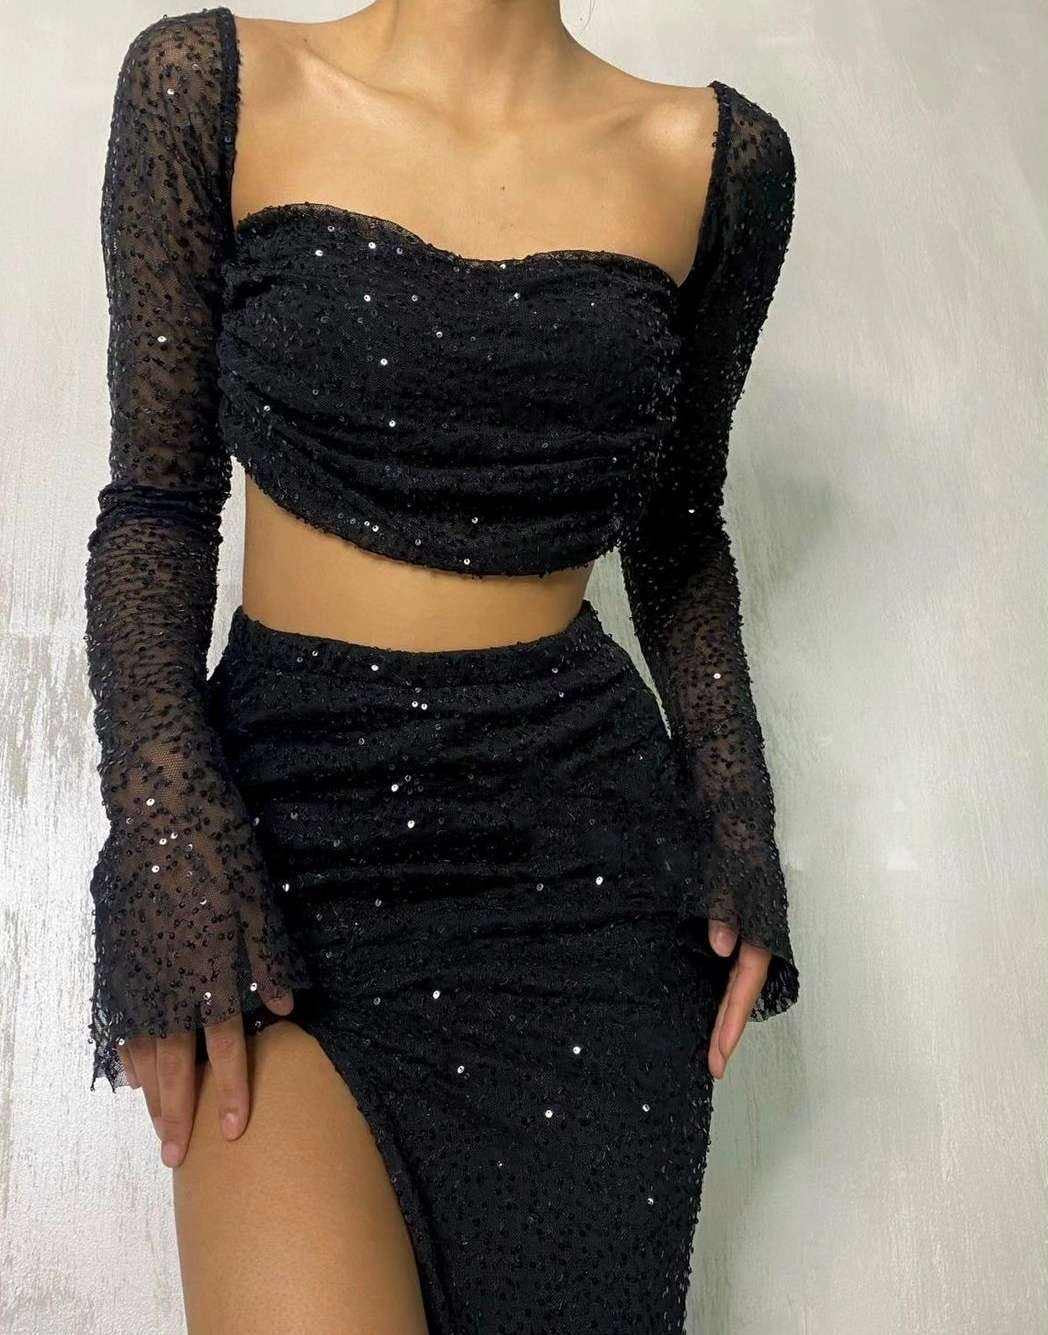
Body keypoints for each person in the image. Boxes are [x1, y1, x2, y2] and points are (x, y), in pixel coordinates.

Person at [82, 3, 800, 1330]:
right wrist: (162, 828)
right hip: (277, 853)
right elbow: (158, 507)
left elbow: (682, 534)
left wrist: (737, 819)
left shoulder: (713, 159)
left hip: (583, 886)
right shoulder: (212, 84)